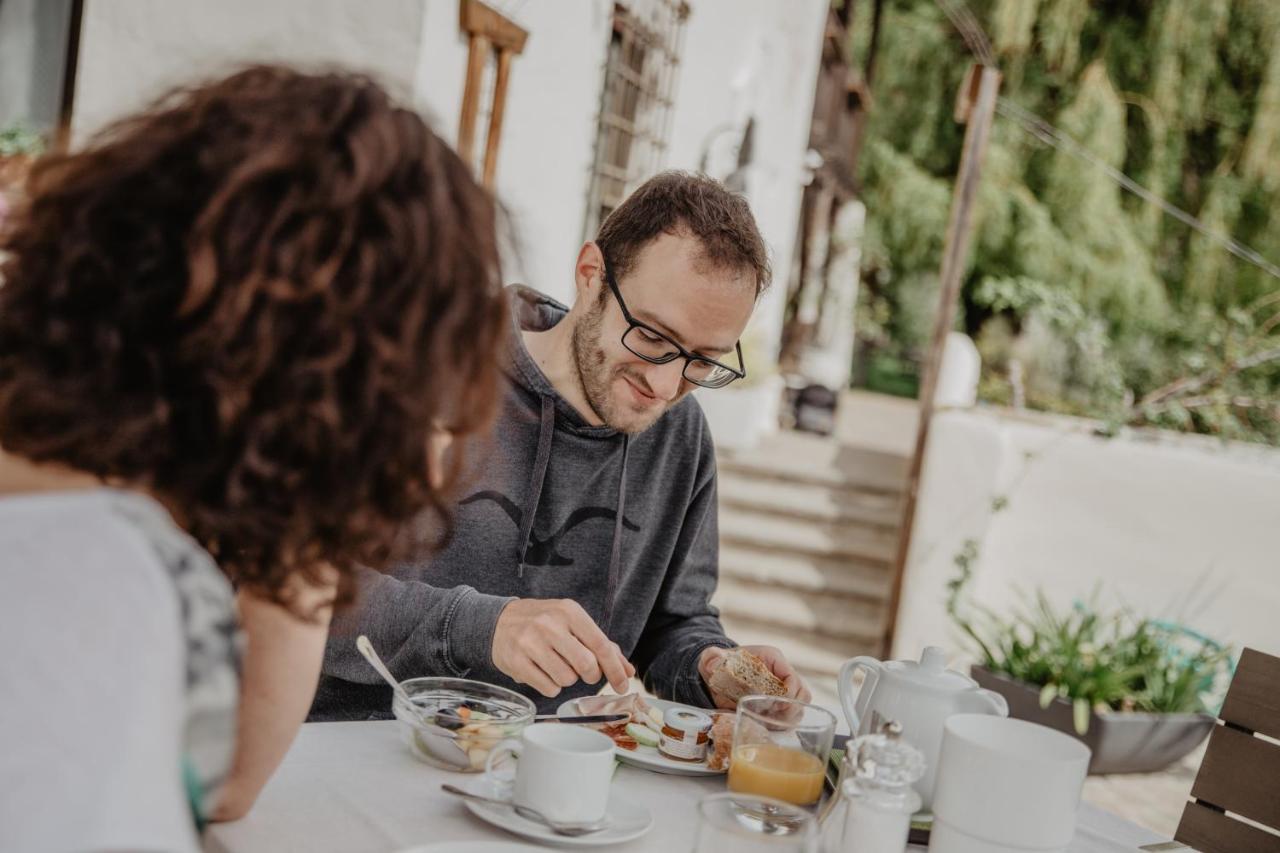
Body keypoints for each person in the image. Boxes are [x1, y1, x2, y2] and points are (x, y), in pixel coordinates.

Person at [0, 65, 508, 850]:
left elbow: (219, 780)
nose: (438, 455)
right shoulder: (92, 572)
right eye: (425, 400)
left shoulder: (88, 504)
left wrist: (299, 525)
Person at [315, 171, 811, 719]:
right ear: (591, 274)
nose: (666, 387)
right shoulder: (425, 368)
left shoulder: (681, 435)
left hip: (544, 780)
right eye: (651, 337)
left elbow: (673, 623)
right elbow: (293, 584)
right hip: (355, 751)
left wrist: (709, 667)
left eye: (703, 361)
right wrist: (481, 628)